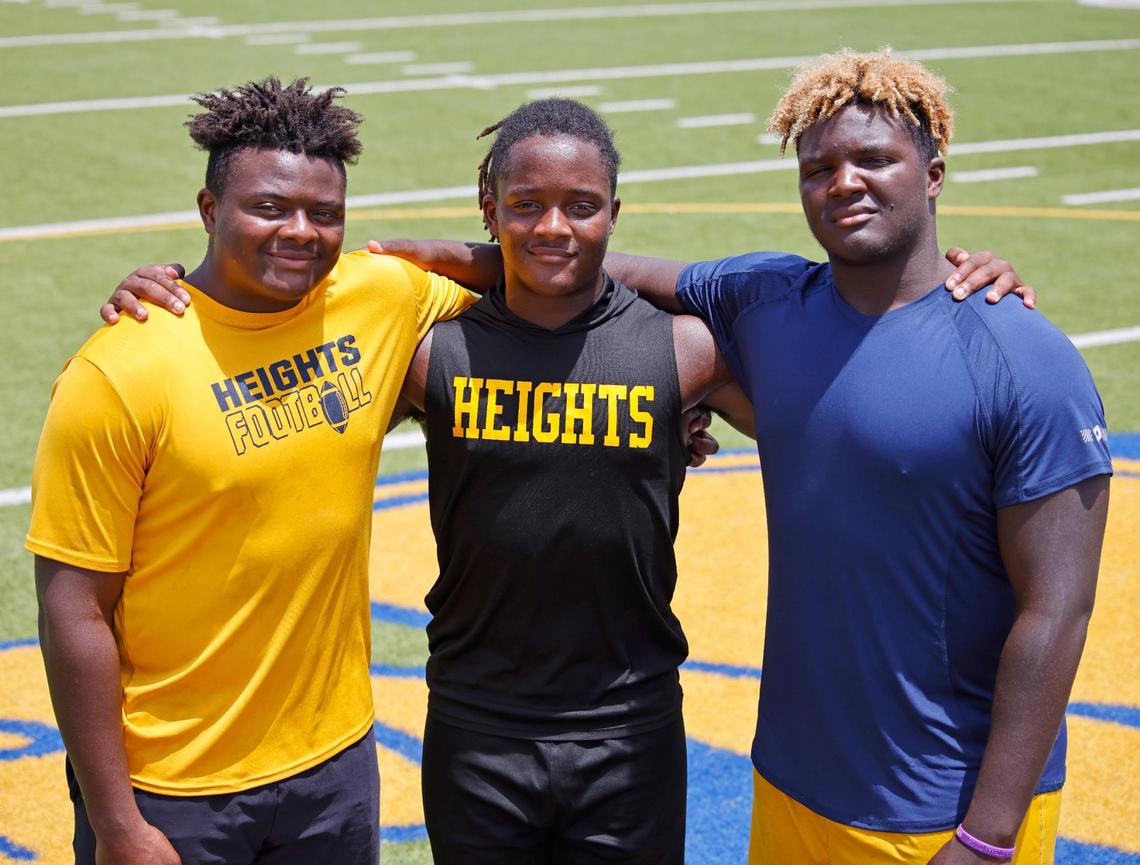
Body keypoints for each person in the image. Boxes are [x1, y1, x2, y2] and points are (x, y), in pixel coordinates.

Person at [608, 50, 1111, 864]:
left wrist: (987, 838)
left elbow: (1056, 614)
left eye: (874, 159)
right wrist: (433, 268)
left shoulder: (1028, 358)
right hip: (792, 786)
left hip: (939, 815)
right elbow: (584, 268)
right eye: (819, 168)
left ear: (934, 172)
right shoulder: (769, 300)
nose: (844, 182)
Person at [27, 77, 474, 865]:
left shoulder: (379, 295)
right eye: (269, 207)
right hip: (171, 786)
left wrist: (668, 406)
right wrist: (120, 823)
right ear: (208, 211)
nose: (300, 232)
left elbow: (532, 288)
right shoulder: (119, 370)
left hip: (334, 765)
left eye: (325, 214)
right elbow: (73, 613)